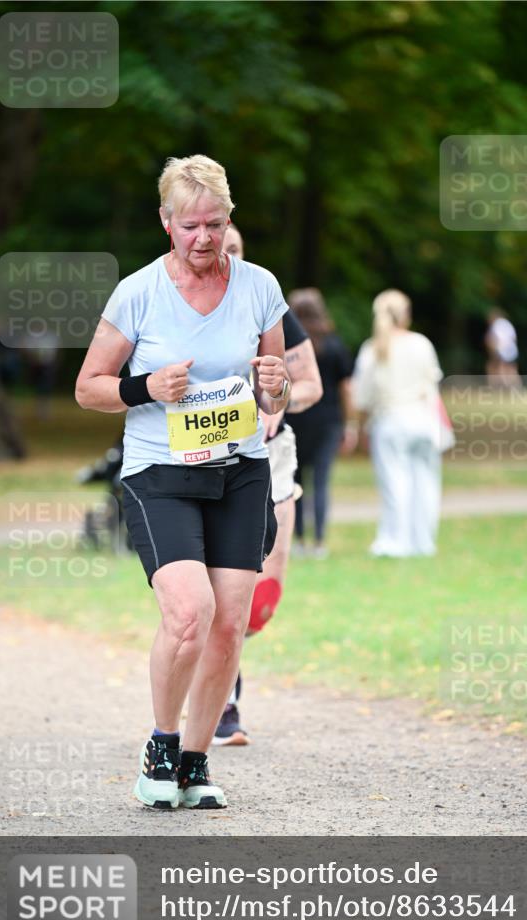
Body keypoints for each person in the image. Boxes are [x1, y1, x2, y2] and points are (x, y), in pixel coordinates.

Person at [75, 155, 290, 810]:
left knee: (229, 624)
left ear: (230, 220)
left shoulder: (257, 286)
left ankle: (196, 763)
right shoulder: (137, 293)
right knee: (189, 612)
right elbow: (88, 388)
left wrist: (273, 389)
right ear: (166, 223)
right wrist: (145, 386)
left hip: (239, 471)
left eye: (216, 224)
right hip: (159, 473)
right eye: (191, 225)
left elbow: (271, 380)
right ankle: (161, 744)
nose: (205, 238)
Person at [212, 226, 323, 745]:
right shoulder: (185, 308)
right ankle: (223, 703)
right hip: (210, 460)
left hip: (272, 461)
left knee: (260, 602)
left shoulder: (270, 305)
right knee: (216, 595)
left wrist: (277, 406)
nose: (222, 252)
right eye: (216, 244)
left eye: (233, 246)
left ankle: (218, 667)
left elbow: (311, 385)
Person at [352, 289, 444, 558]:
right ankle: (422, 541)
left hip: (391, 420)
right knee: (425, 483)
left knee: (395, 483)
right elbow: (432, 383)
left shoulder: (373, 348)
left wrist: (359, 425)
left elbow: (362, 396)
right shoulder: (422, 343)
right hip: (423, 419)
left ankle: (395, 540)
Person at [285, 289, 356, 558]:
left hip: (294, 421)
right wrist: (350, 425)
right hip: (328, 423)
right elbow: (347, 388)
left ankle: (300, 539)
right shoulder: (335, 345)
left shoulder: (287, 348)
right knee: (321, 482)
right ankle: (320, 541)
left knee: (296, 482)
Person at [484, 308, 521, 386]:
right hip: (512, 350)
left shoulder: (496, 325)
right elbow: (514, 338)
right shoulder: (507, 323)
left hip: (502, 349)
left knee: (499, 369)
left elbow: (493, 340)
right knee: (511, 369)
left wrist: (493, 350)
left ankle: (501, 386)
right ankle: (516, 386)